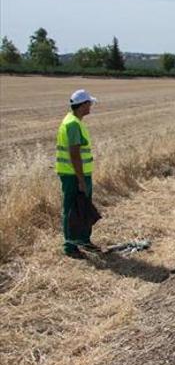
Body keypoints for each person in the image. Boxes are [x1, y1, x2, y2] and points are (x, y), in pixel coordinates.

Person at [56, 89, 100, 258]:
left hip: (77, 174)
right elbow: (74, 154)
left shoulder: (74, 121)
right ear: (82, 105)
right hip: (72, 175)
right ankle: (70, 246)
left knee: (82, 207)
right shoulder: (72, 124)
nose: (91, 106)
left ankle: (83, 241)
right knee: (72, 209)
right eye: (89, 103)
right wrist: (81, 179)